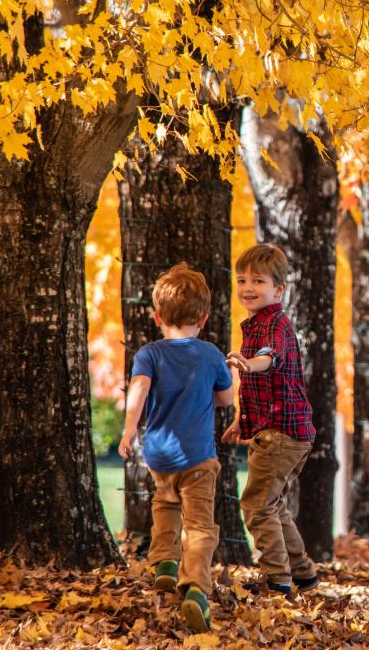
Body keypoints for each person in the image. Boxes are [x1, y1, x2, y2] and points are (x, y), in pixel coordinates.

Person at [118, 262, 234, 632]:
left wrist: (128, 431)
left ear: (156, 317)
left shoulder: (149, 355)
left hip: (159, 456)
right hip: (199, 458)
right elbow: (226, 400)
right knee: (199, 525)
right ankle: (196, 587)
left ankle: (164, 563)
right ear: (203, 318)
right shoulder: (211, 355)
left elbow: (137, 391)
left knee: (165, 505)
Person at [222, 243, 319, 597]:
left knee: (256, 505)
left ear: (278, 289)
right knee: (273, 503)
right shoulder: (257, 323)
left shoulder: (275, 325)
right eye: (242, 280)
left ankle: (277, 580)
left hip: (281, 434)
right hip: (287, 432)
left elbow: (270, 357)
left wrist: (251, 363)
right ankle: (303, 573)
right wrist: (240, 421)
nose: (248, 287)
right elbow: (259, 387)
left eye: (258, 281)